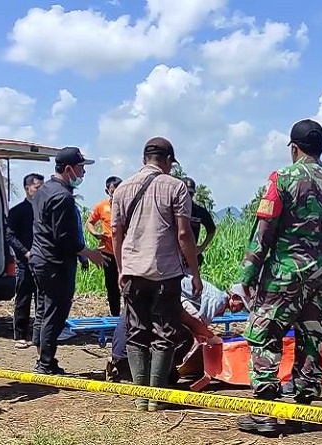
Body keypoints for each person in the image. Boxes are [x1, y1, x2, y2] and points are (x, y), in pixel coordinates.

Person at [237, 118, 322, 434]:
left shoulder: (281, 179)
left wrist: (248, 273)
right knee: (311, 340)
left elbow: (264, 230)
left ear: (294, 148)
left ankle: (265, 413)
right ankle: (302, 411)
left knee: (264, 335)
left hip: (285, 275)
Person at [111, 136, 203, 412]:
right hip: (166, 272)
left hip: (133, 272)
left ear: (144, 159)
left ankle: (140, 398)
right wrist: (195, 273)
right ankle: (156, 397)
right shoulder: (176, 187)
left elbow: (116, 232)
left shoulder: (122, 189)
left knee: (136, 332)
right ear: (168, 161)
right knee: (165, 333)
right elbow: (184, 234)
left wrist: (120, 268)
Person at [29, 146, 105, 375]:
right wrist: (88, 252)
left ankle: (44, 358)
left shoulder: (43, 190)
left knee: (44, 309)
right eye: (81, 168)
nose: (83, 174)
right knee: (56, 312)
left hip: (40, 258)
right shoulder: (62, 197)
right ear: (69, 169)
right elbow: (64, 239)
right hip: (55, 263)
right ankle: (45, 363)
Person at [107, 273, 245, 383]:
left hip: (120, 353)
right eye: (241, 304)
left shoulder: (140, 296)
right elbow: (197, 325)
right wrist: (212, 338)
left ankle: (126, 368)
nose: (241, 309)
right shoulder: (216, 300)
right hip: (129, 357)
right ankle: (148, 375)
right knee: (182, 339)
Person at [6, 173, 44, 350]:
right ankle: (20, 335)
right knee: (23, 298)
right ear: (27, 188)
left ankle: (40, 335)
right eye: (37, 187)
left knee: (42, 299)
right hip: (25, 261)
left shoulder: (44, 210)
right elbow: (10, 236)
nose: (40, 191)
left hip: (43, 261)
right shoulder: (18, 211)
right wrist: (25, 253)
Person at [86, 176, 123, 316]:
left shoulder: (129, 206)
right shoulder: (101, 206)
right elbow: (89, 222)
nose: (117, 193)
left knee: (129, 285)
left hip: (126, 253)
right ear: (107, 191)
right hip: (108, 252)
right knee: (112, 286)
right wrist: (96, 234)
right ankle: (115, 315)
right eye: (114, 191)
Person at [181, 177, 217, 267]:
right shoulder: (171, 210)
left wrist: (202, 247)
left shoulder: (199, 212)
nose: (188, 196)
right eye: (185, 193)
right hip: (173, 258)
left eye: (190, 193)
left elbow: (211, 229)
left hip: (191, 259)